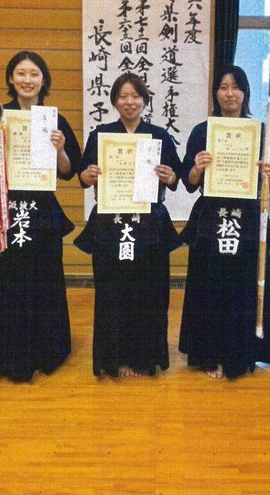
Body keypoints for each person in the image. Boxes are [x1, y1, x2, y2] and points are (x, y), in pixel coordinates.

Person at [0, 51, 81, 382]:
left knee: (41, 282)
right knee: (0, 282)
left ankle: (45, 352)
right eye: (21, 73)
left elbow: (68, 172)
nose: (27, 80)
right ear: (10, 78)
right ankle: (1, 355)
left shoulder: (54, 120)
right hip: (1, 210)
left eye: (34, 74)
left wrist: (59, 148)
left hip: (41, 212)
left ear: (43, 80)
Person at [74, 72, 182, 378]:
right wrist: (88, 175)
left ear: (144, 101)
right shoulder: (101, 135)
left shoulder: (158, 136)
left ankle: (144, 359)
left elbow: (178, 177)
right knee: (112, 292)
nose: (129, 102)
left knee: (149, 293)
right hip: (111, 223)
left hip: (149, 224)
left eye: (135, 96)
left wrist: (169, 175)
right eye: (123, 96)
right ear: (114, 101)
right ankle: (114, 359)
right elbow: (82, 176)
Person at [178, 66, 270, 379]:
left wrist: (268, 174)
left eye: (236, 87)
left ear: (245, 92)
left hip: (246, 220)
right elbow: (189, 181)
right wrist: (197, 168)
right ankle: (210, 355)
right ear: (216, 93)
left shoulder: (260, 131)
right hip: (211, 219)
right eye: (223, 87)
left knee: (243, 290)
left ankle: (242, 354)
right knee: (210, 289)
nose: (230, 93)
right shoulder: (202, 131)